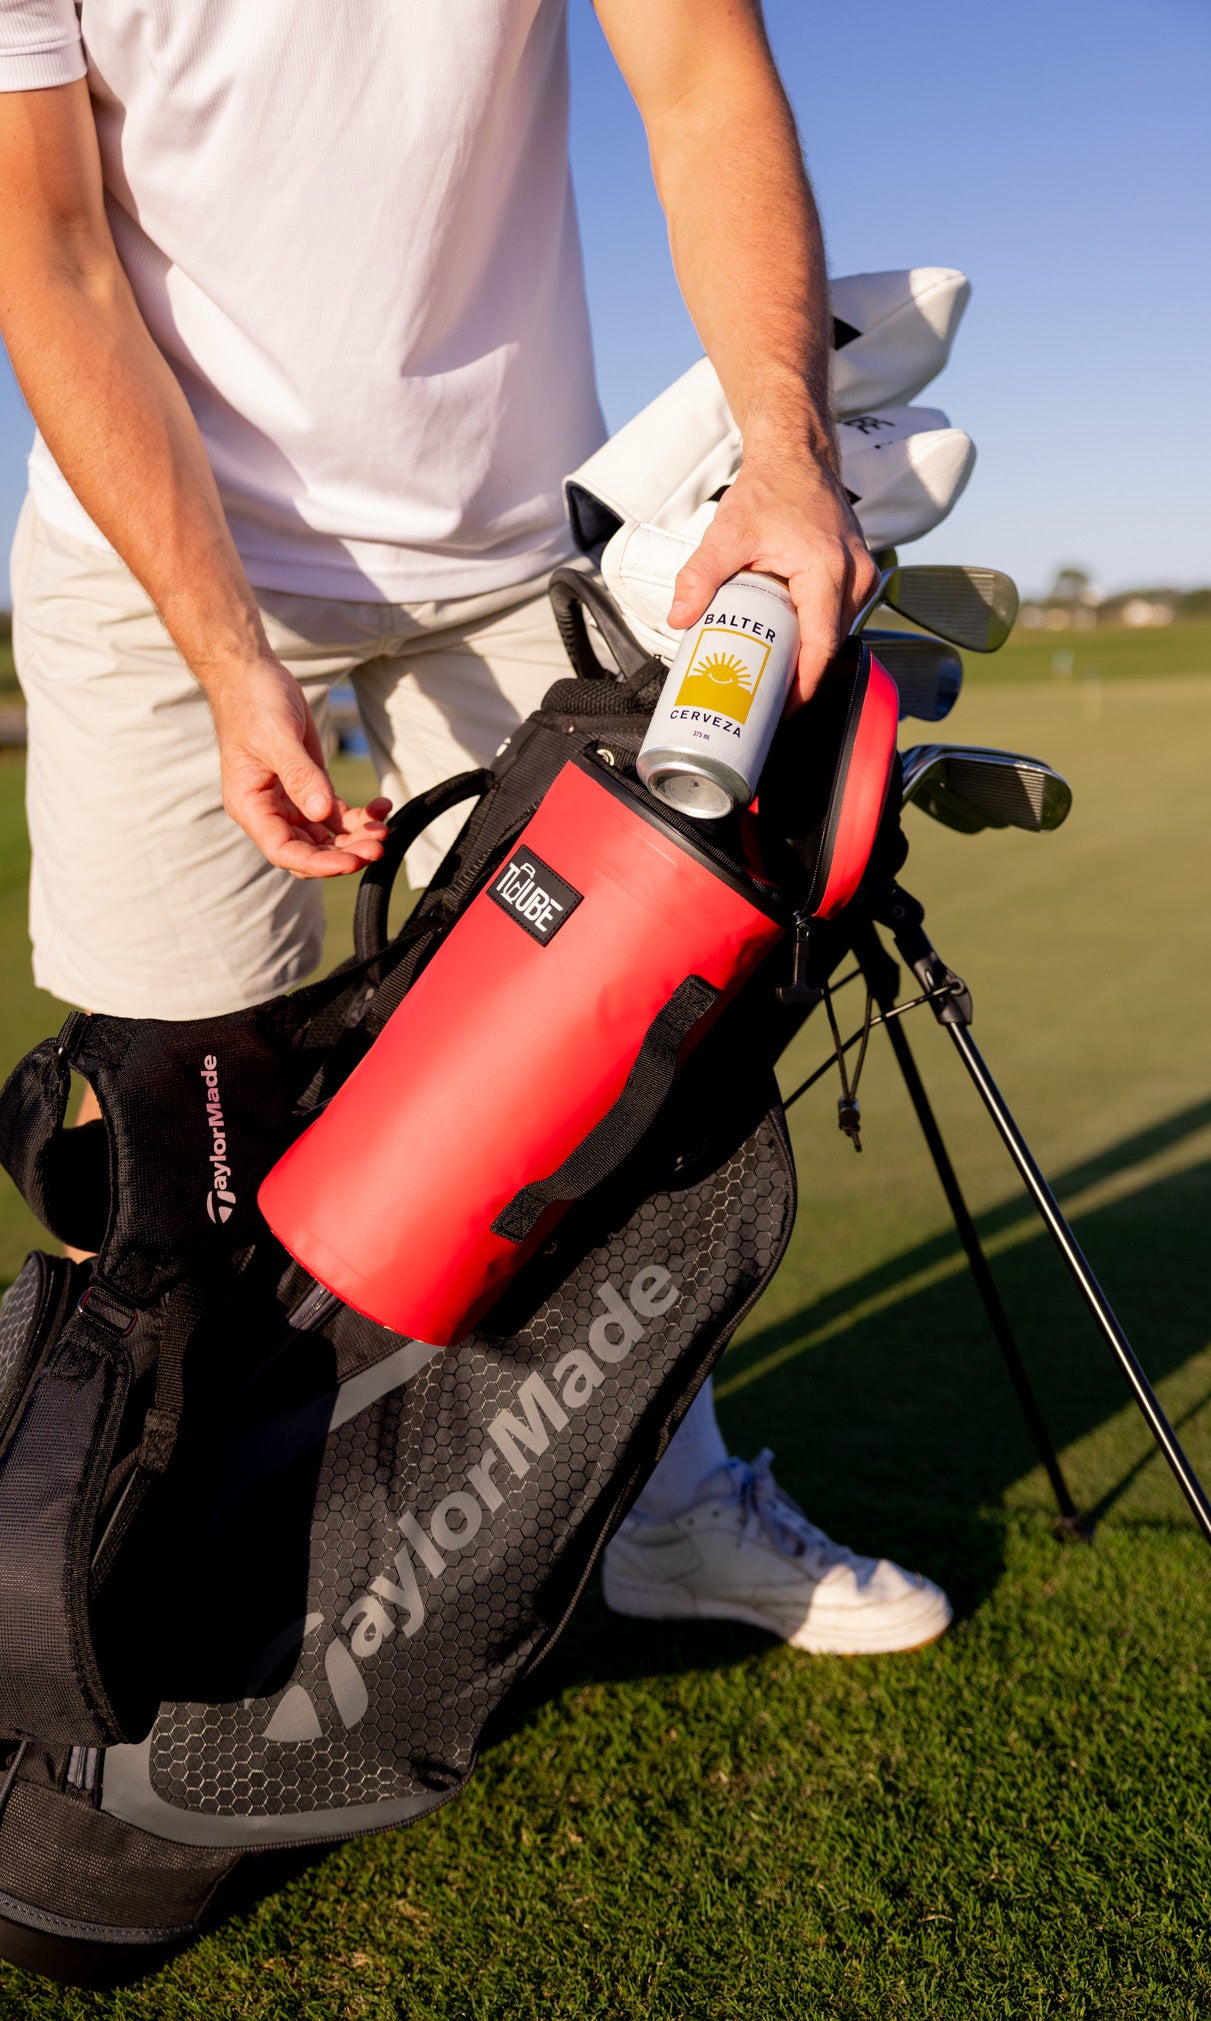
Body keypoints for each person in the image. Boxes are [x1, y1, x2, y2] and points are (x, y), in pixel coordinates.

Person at [0, 0, 950, 1655]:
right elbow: (52, 246)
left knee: (612, 1053)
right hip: (152, 559)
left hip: (511, 556)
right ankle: (147, 1584)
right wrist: (230, 655)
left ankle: (651, 1508)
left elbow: (703, 84)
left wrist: (787, 461)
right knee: (178, 1130)